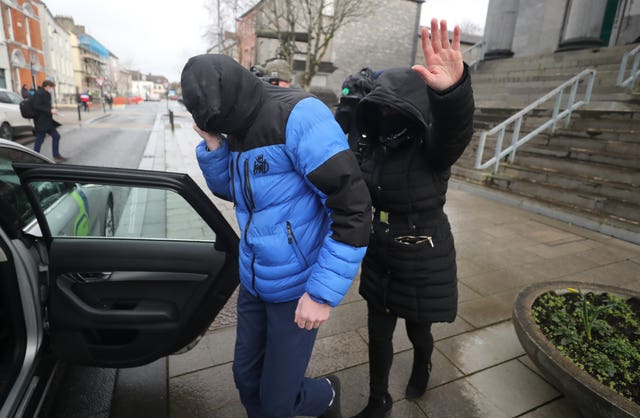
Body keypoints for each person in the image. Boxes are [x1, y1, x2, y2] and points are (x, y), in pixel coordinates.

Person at [181, 54, 372, 418]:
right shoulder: (230, 124)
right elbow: (235, 191)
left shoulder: (299, 116)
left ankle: (327, 394)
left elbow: (353, 208)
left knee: (276, 403)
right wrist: (213, 145)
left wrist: (321, 293)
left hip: (297, 287)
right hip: (254, 280)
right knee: (246, 380)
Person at [350, 18, 475, 417]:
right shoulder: (374, 146)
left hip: (422, 250)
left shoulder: (431, 147)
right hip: (380, 249)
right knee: (377, 331)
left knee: (419, 329)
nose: (387, 118)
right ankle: (377, 398)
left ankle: (423, 363)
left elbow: (454, 131)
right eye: (381, 110)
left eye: (393, 110)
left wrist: (452, 93)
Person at [32, 80, 66, 162]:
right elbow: (36, 106)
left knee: (56, 136)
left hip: (47, 121)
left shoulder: (45, 93)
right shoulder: (39, 93)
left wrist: (52, 109)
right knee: (40, 139)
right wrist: (49, 110)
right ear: (47, 86)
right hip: (41, 121)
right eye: (51, 87)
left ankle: (56, 155)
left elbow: (45, 105)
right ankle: (34, 157)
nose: (52, 89)